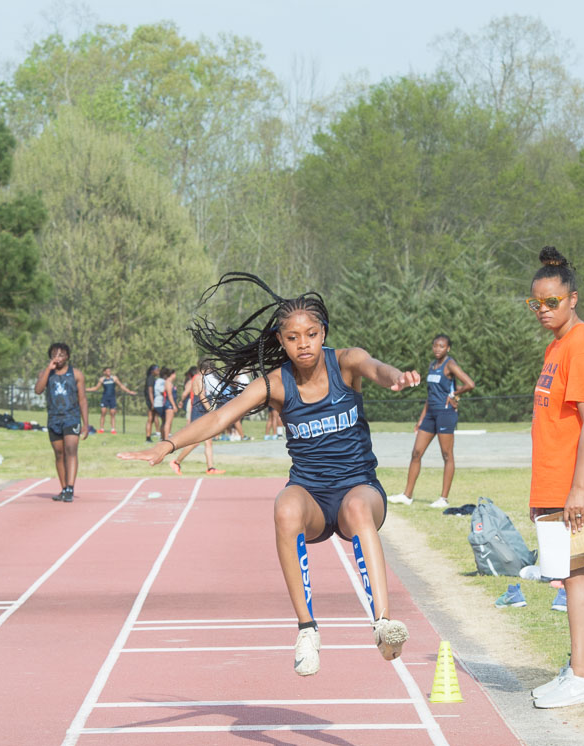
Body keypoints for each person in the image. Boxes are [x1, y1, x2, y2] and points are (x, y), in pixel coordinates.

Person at [120, 272, 419, 677]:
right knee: (284, 506)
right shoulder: (275, 384)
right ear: (281, 341)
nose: (303, 344)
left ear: (323, 332)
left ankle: (383, 625)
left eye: (311, 334)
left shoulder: (346, 363)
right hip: (311, 495)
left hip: (359, 489)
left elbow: (377, 367)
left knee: (356, 508)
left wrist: (397, 377)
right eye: (293, 338)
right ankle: (307, 630)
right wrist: (168, 445)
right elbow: (221, 416)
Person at [526, 246, 584, 709]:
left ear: (573, 298)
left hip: (579, 488)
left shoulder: (582, 344)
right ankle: (580, 668)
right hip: (556, 485)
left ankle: (583, 676)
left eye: (552, 303)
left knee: (578, 578)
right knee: (570, 577)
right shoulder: (558, 345)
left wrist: (578, 490)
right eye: (536, 303)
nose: (543, 310)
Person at [389, 333, 476, 508]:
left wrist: (453, 394)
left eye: (442, 346)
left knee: (446, 455)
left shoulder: (449, 364)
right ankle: (407, 495)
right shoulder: (431, 365)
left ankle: (443, 499)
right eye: (435, 345)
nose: (437, 349)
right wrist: (421, 420)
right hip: (430, 415)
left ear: (448, 348)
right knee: (416, 453)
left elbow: (469, 384)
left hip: (445, 413)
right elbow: (431, 395)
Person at [35, 342, 89, 502]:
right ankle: (64, 487)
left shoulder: (77, 374)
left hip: (71, 417)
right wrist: (48, 370)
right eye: (54, 355)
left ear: (67, 357)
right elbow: (38, 390)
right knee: (59, 454)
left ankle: (70, 489)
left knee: (71, 450)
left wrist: (86, 423)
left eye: (60, 355)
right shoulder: (46, 373)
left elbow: (83, 399)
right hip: (54, 418)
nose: (57, 358)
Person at [169, 360, 225, 475]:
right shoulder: (198, 378)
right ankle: (176, 462)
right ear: (205, 370)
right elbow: (202, 396)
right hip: (199, 412)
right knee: (195, 442)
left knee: (208, 442)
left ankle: (211, 468)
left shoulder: (202, 378)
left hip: (203, 411)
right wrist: (211, 410)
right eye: (210, 370)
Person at [86, 367, 136, 434]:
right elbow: (95, 388)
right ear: (104, 372)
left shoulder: (114, 378)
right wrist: (84, 389)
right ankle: (101, 429)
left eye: (110, 371)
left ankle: (113, 429)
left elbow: (121, 386)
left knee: (112, 413)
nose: (109, 372)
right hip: (105, 398)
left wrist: (129, 391)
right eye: (107, 371)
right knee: (103, 413)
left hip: (112, 398)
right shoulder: (102, 379)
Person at [161, 367, 180, 439]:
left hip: (169, 404)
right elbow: (169, 395)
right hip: (169, 404)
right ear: (172, 374)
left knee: (169, 422)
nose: (175, 376)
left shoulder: (170, 383)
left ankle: (166, 437)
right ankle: (166, 438)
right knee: (168, 422)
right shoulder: (168, 382)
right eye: (175, 374)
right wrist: (174, 405)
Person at [143, 365, 159, 442]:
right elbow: (150, 392)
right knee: (150, 419)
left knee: (152, 418)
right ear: (152, 371)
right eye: (157, 370)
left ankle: (149, 436)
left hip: (152, 401)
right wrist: (153, 403)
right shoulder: (150, 378)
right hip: (151, 401)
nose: (158, 371)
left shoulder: (153, 378)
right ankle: (148, 437)